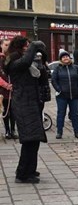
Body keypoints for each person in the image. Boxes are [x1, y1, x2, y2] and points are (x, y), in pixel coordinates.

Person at [6, 37, 48, 183]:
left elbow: (42, 78)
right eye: (27, 46)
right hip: (23, 103)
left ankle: (30, 169)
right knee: (29, 140)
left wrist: (42, 63)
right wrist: (35, 45)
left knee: (34, 139)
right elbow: (23, 63)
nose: (28, 48)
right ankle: (22, 174)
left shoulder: (29, 63)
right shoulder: (13, 60)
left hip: (31, 102)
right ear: (20, 46)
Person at [51, 49, 78, 139]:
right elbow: (54, 80)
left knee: (75, 114)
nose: (65, 58)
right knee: (61, 113)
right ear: (61, 59)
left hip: (74, 95)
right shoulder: (58, 68)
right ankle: (59, 132)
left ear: (69, 58)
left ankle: (77, 131)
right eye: (63, 57)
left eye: (67, 56)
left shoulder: (76, 68)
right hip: (62, 96)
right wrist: (59, 89)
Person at [1, 37, 17, 139]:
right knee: (6, 111)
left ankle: (13, 130)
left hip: (14, 89)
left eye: (9, 45)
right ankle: (7, 130)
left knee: (13, 110)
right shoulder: (0, 59)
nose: (7, 47)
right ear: (1, 45)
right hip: (3, 89)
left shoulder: (12, 58)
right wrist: (6, 85)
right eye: (5, 45)